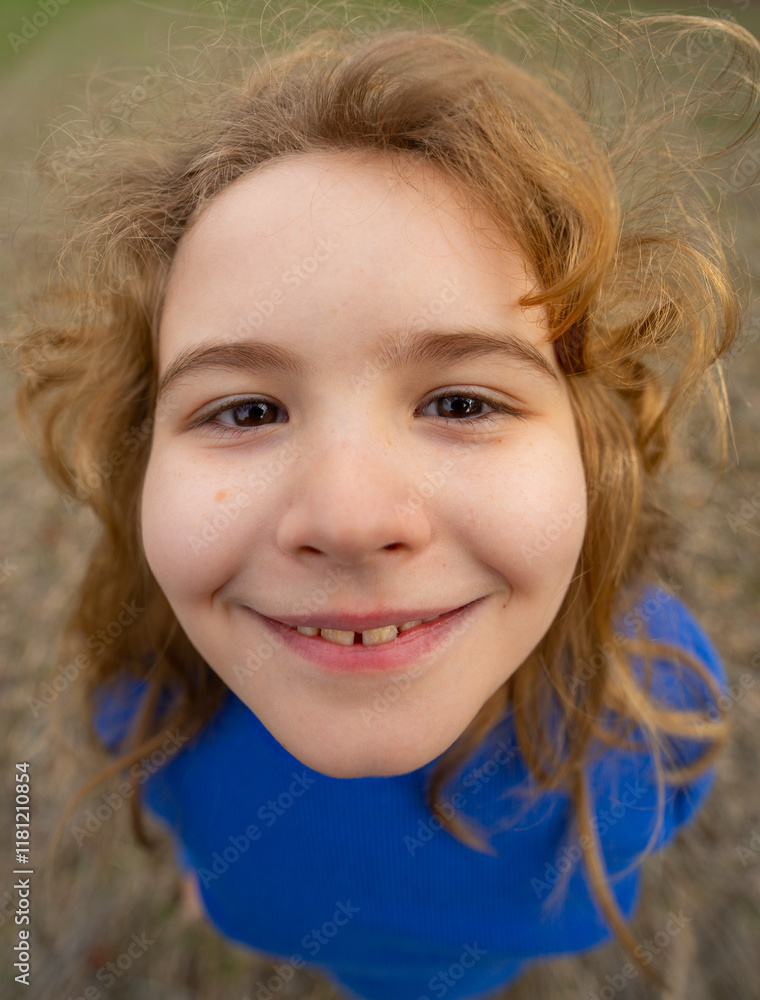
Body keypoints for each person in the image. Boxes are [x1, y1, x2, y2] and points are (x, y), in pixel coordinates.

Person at [11, 2, 760, 998]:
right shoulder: (150, 699)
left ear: (590, 450)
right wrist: (211, 874)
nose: (350, 518)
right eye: (243, 410)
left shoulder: (660, 686)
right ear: (142, 461)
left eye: (459, 399)